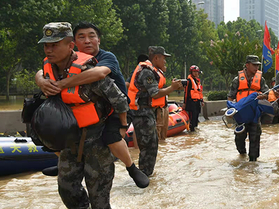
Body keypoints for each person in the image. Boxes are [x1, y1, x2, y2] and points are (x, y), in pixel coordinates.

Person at [34, 22, 149, 188]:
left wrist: (123, 125)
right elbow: (43, 70)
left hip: (116, 107)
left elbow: (98, 73)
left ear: (99, 40)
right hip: (84, 107)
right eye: (81, 37)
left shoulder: (106, 57)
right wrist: (41, 80)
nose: (87, 41)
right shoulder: (67, 59)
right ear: (73, 43)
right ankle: (64, 164)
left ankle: (131, 167)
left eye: (91, 36)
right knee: (54, 129)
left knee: (111, 136)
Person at [38, 22, 129, 209]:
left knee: (100, 201)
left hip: (97, 138)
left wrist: (122, 126)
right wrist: (42, 82)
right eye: (46, 46)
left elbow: (120, 100)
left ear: (70, 46)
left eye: (54, 45)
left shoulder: (89, 70)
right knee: (67, 190)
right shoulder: (48, 71)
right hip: (70, 139)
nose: (49, 50)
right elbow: (41, 81)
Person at [127, 46, 184, 176]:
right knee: (148, 146)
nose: (165, 61)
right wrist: (172, 88)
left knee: (151, 144)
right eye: (163, 58)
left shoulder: (151, 71)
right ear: (156, 58)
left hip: (147, 112)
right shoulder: (147, 72)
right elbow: (155, 93)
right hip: (142, 113)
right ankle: (144, 174)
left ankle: (147, 174)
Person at [227, 55, 269, 162]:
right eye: (254, 65)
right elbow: (230, 97)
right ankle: (242, 154)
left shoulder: (261, 80)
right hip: (241, 114)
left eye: (257, 65)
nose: (256, 68)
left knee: (255, 136)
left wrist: (264, 96)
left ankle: (253, 162)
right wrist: (230, 111)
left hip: (255, 113)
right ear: (247, 65)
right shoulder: (237, 80)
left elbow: (267, 93)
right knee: (239, 137)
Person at [184, 65, 204, 132]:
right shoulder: (189, 81)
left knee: (196, 116)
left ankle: (195, 129)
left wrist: (202, 100)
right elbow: (186, 92)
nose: (196, 73)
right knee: (192, 117)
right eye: (194, 72)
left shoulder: (197, 81)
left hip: (197, 102)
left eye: (197, 72)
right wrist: (185, 103)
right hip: (191, 102)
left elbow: (199, 92)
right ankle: (191, 130)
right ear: (191, 72)